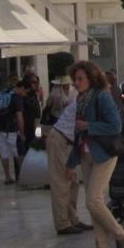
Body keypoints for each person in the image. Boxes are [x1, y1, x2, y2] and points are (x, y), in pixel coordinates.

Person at [66, 60, 124, 248]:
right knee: (96, 204)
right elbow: (78, 133)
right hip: (87, 154)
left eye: (80, 79)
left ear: (91, 78)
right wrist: (71, 162)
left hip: (104, 153)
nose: (76, 83)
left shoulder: (102, 95)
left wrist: (90, 125)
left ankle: (122, 235)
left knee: (92, 201)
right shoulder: (82, 98)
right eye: (74, 79)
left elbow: (115, 126)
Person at [46, 98, 88, 235]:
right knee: (61, 183)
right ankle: (62, 224)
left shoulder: (91, 100)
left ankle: (72, 219)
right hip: (60, 139)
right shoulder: (87, 102)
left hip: (69, 142)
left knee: (73, 182)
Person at [0, 81, 27, 184]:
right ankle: (23, 177)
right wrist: (22, 133)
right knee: (19, 153)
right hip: (11, 130)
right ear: (21, 88)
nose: (25, 93)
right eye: (25, 91)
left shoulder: (4, 93)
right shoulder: (17, 99)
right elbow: (19, 118)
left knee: (4, 153)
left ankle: (7, 177)